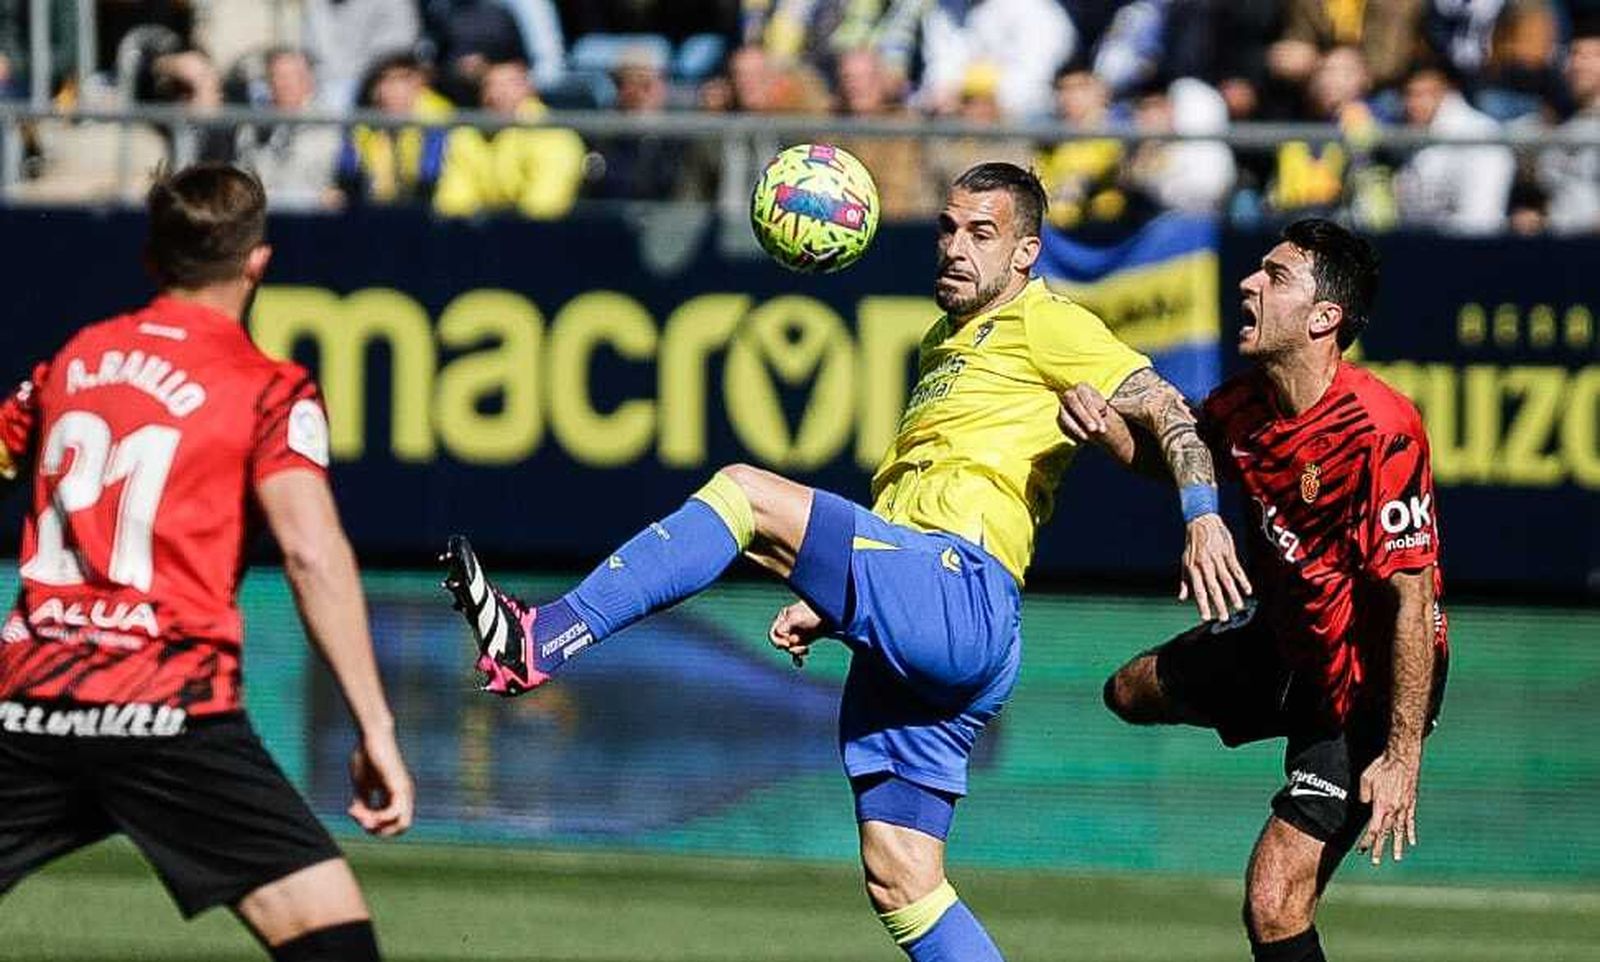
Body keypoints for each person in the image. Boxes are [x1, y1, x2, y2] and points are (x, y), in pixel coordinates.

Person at [442, 162, 1251, 961]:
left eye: (982, 234)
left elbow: (1171, 414)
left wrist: (1203, 516)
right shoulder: (945, 340)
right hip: (929, 621)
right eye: (946, 228)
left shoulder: (1049, 321)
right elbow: (919, 501)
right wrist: (837, 603)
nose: (955, 248)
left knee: (744, 493)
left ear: (1026, 253)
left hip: (959, 590)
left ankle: (543, 636)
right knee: (903, 878)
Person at [0, 164, 414, 961]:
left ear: (154, 261)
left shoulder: (74, 361)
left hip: (31, 705)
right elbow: (310, 552)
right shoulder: (270, 389)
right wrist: (375, 726)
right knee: (332, 942)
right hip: (169, 712)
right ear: (258, 262)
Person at [1059, 219, 1449, 962]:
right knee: (1126, 691)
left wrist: (1400, 755)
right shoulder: (1243, 406)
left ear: (1324, 317)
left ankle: (1311, 749)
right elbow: (1179, 459)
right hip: (1284, 645)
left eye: (1275, 276)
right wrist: (1107, 430)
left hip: (1361, 690)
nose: (1248, 283)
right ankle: (1259, 702)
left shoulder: (1381, 428)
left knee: (1274, 903)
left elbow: (1411, 597)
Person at [433, 59, 586, 219]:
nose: (496, 94)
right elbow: (452, 206)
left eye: (510, 84)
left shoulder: (557, 137)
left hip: (544, 239)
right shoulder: (466, 136)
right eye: (488, 84)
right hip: (479, 237)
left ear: (530, 88)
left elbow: (543, 211)